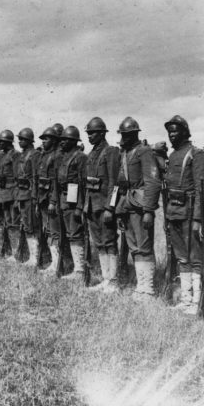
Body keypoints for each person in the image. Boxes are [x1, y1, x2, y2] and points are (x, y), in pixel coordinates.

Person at [162, 116, 204, 313]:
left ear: (184, 132)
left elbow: (201, 189)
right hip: (174, 212)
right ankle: (186, 298)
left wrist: (198, 219)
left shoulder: (195, 155)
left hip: (190, 213)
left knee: (195, 257)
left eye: (175, 131)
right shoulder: (173, 156)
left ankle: (197, 301)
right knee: (182, 256)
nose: (172, 135)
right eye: (170, 132)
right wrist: (166, 217)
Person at [114, 117, 162, 298]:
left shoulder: (144, 152)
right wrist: (117, 209)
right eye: (122, 135)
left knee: (144, 246)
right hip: (126, 205)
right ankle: (140, 286)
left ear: (135, 134)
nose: (124, 138)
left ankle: (147, 288)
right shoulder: (125, 154)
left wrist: (149, 211)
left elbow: (152, 182)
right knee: (134, 246)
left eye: (127, 134)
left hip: (140, 207)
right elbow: (119, 184)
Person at [83, 117, 121, 292]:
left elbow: (114, 183)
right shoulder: (91, 154)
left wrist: (110, 208)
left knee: (109, 241)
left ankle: (113, 280)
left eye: (92, 133)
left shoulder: (110, 151)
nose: (89, 136)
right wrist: (85, 205)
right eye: (88, 133)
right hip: (92, 205)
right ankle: (106, 278)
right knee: (99, 242)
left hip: (104, 206)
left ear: (101, 133)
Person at [51, 125, 87, 280]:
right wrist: (54, 201)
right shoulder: (62, 158)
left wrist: (80, 207)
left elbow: (83, 184)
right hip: (62, 199)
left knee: (75, 234)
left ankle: (79, 271)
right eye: (62, 140)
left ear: (73, 141)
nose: (62, 142)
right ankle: (68, 265)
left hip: (74, 201)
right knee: (65, 234)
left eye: (66, 140)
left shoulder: (80, 158)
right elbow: (56, 183)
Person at [36, 126, 62, 273]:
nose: (44, 141)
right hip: (43, 199)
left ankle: (57, 264)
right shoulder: (44, 156)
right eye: (43, 139)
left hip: (52, 200)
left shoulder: (57, 156)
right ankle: (53, 262)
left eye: (46, 138)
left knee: (54, 232)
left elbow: (56, 182)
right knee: (49, 231)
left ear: (54, 140)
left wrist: (53, 201)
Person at [0, 130, 21, 258]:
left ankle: (17, 253)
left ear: (8, 142)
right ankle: (10, 251)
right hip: (4, 194)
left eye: (1, 141)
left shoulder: (15, 155)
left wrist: (17, 198)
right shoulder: (1, 156)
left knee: (14, 223)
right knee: (7, 222)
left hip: (12, 193)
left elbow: (17, 177)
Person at [16, 128, 40, 264]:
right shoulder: (22, 155)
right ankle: (32, 256)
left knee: (32, 226)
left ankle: (35, 258)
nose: (19, 142)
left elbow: (35, 177)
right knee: (27, 226)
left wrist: (35, 197)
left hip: (30, 195)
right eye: (19, 139)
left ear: (29, 141)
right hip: (22, 195)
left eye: (22, 139)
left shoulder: (34, 154)